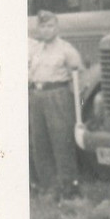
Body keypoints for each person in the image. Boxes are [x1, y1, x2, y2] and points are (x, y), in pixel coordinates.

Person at [28, 10, 85, 200]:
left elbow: (79, 78)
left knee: (61, 142)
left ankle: (68, 189)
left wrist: (73, 99)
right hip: (37, 96)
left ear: (57, 27)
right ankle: (50, 188)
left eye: (50, 26)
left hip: (57, 96)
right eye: (42, 26)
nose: (46, 30)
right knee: (40, 144)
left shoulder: (66, 50)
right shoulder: (35, 50)